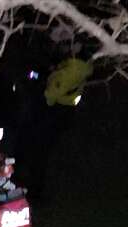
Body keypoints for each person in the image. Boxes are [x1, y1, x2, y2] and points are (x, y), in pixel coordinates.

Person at [27, 46, 92, 200]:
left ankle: (36, 191)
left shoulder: (68, 73)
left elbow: (50, 96)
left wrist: (43, 88)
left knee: (41, 151)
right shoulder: (82, 68)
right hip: (66, 110)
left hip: (55, 111)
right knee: (51, 148)